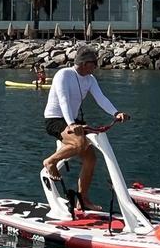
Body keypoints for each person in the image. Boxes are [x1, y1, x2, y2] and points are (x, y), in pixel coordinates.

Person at [42, 46, 130, 211]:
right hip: (55, 119)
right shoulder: (64, 75)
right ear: (83, 63)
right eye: (93, 63)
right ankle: (50, 161)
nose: (95, 67)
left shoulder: (90, 79)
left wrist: (116, 113)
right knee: (79, 143)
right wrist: (71, 124)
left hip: (73, 120)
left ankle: (82, 200)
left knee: (91, 158)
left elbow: (101, 98)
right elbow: (63, 100)